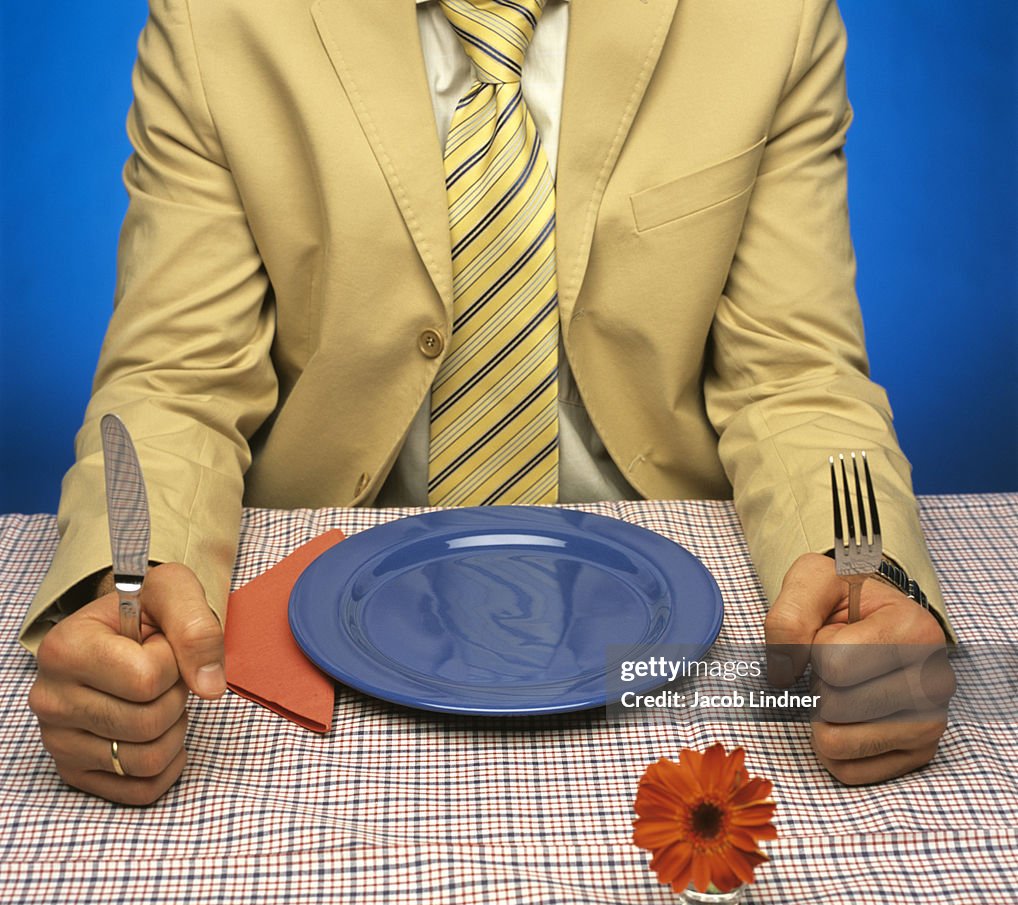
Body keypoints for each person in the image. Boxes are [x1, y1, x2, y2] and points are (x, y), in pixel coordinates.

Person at [21, 0, 954, 805]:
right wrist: (126, 577)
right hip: (308, 630)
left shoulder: (768, 19)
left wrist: (863, 571)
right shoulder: (216, 20)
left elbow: (794, 375)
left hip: (669, 621)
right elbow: (179, 381)